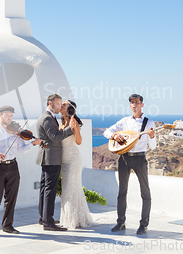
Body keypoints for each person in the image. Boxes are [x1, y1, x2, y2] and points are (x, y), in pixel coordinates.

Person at [0, 105, 42, 239]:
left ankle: (8, 226)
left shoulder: (16, 131)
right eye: (7, 115)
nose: (9, 118)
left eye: (11, 115)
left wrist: (33, 144)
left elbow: (21, 149)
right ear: (0, 115)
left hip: (13, 166)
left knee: (11, 198)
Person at [103, 94, 156, 235]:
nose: (135, 105)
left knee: (145, 192)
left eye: (137, 102)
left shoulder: (148, 122)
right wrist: (114, 136)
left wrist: (152, 136)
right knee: (122, 192)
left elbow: (153, 146)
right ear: (130, 105)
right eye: (132, 102)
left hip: (140, 158)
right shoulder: (124, 121)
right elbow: (106, 132)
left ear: (142, 105)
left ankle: (143, 225)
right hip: (124, 158)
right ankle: (120, 223)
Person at [36, 94, 78, 231]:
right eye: (58, 104)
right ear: (50, 103)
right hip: (51, 158)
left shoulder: (48, 116)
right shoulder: (47, 118)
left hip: (48, 157)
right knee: (49, 189)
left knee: (44, 188)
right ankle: (48, 222)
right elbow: (55, 138)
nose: (60, 106)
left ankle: (44, 217)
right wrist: (69, 129)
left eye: (61, 104)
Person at [59, 100, 94, 229]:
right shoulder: (61, 123)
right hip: (63, 160)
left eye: (64, 104)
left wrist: (74, 128)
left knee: (71, 188)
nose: (61, 106)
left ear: (69, 108)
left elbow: (79, 141)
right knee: (66, 189)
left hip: (73, 159)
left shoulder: (74, 122)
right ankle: (67, 218)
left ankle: (72, 220)